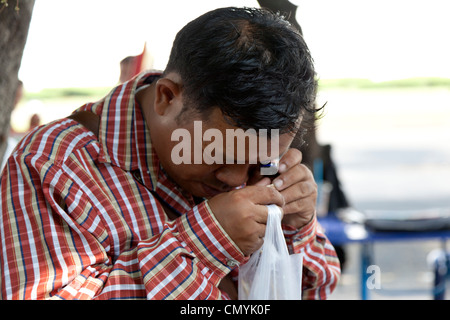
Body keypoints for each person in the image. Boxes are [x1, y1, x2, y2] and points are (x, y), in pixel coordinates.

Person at [0, 7, 340, 300]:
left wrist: (296, 228)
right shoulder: (54, 167)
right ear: (167, 97)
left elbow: (312, 288)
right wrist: (205, 243)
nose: (237, 179)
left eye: (259, 161)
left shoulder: (260, 168)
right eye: (218, 154)